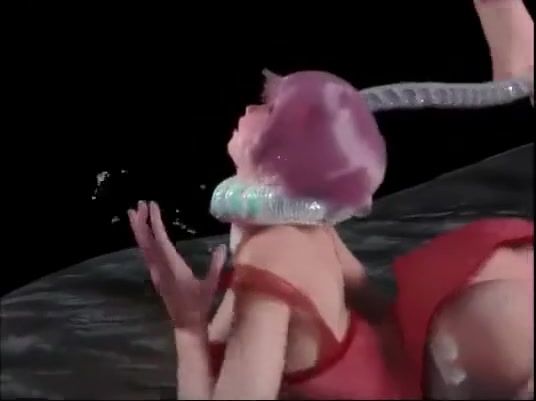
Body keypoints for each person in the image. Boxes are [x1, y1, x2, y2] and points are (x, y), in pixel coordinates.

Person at [128, 1, 533, 399]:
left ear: (283, 153)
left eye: (269, 110)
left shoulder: (271, 255)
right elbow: (377, 306)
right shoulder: (305, 231)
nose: (250, 108)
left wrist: (188, 330)